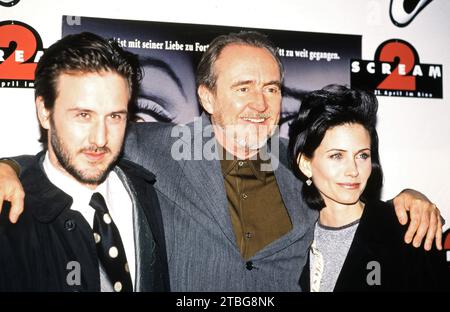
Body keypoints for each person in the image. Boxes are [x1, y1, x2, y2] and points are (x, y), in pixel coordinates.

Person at [0, 31, 443, 291]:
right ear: (207, 96)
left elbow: (354, 201)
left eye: (271, 88)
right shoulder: (152, 145)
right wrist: (11, 167)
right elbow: (82, 148)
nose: (260, 102)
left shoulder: (300, 165)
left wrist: (410, 197)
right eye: (243, 87)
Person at [0, 32, 169, 291]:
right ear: (44, 112)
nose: (100, 139)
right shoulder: (10, 218)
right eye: (83, 115)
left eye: (114, 116)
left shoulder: (149, 190)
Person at [290, 84, 449, 291]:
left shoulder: (410, 232)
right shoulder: (290, 239)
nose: (353, 170)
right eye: (337, 156)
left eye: (362, 155)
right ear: (306, 164)